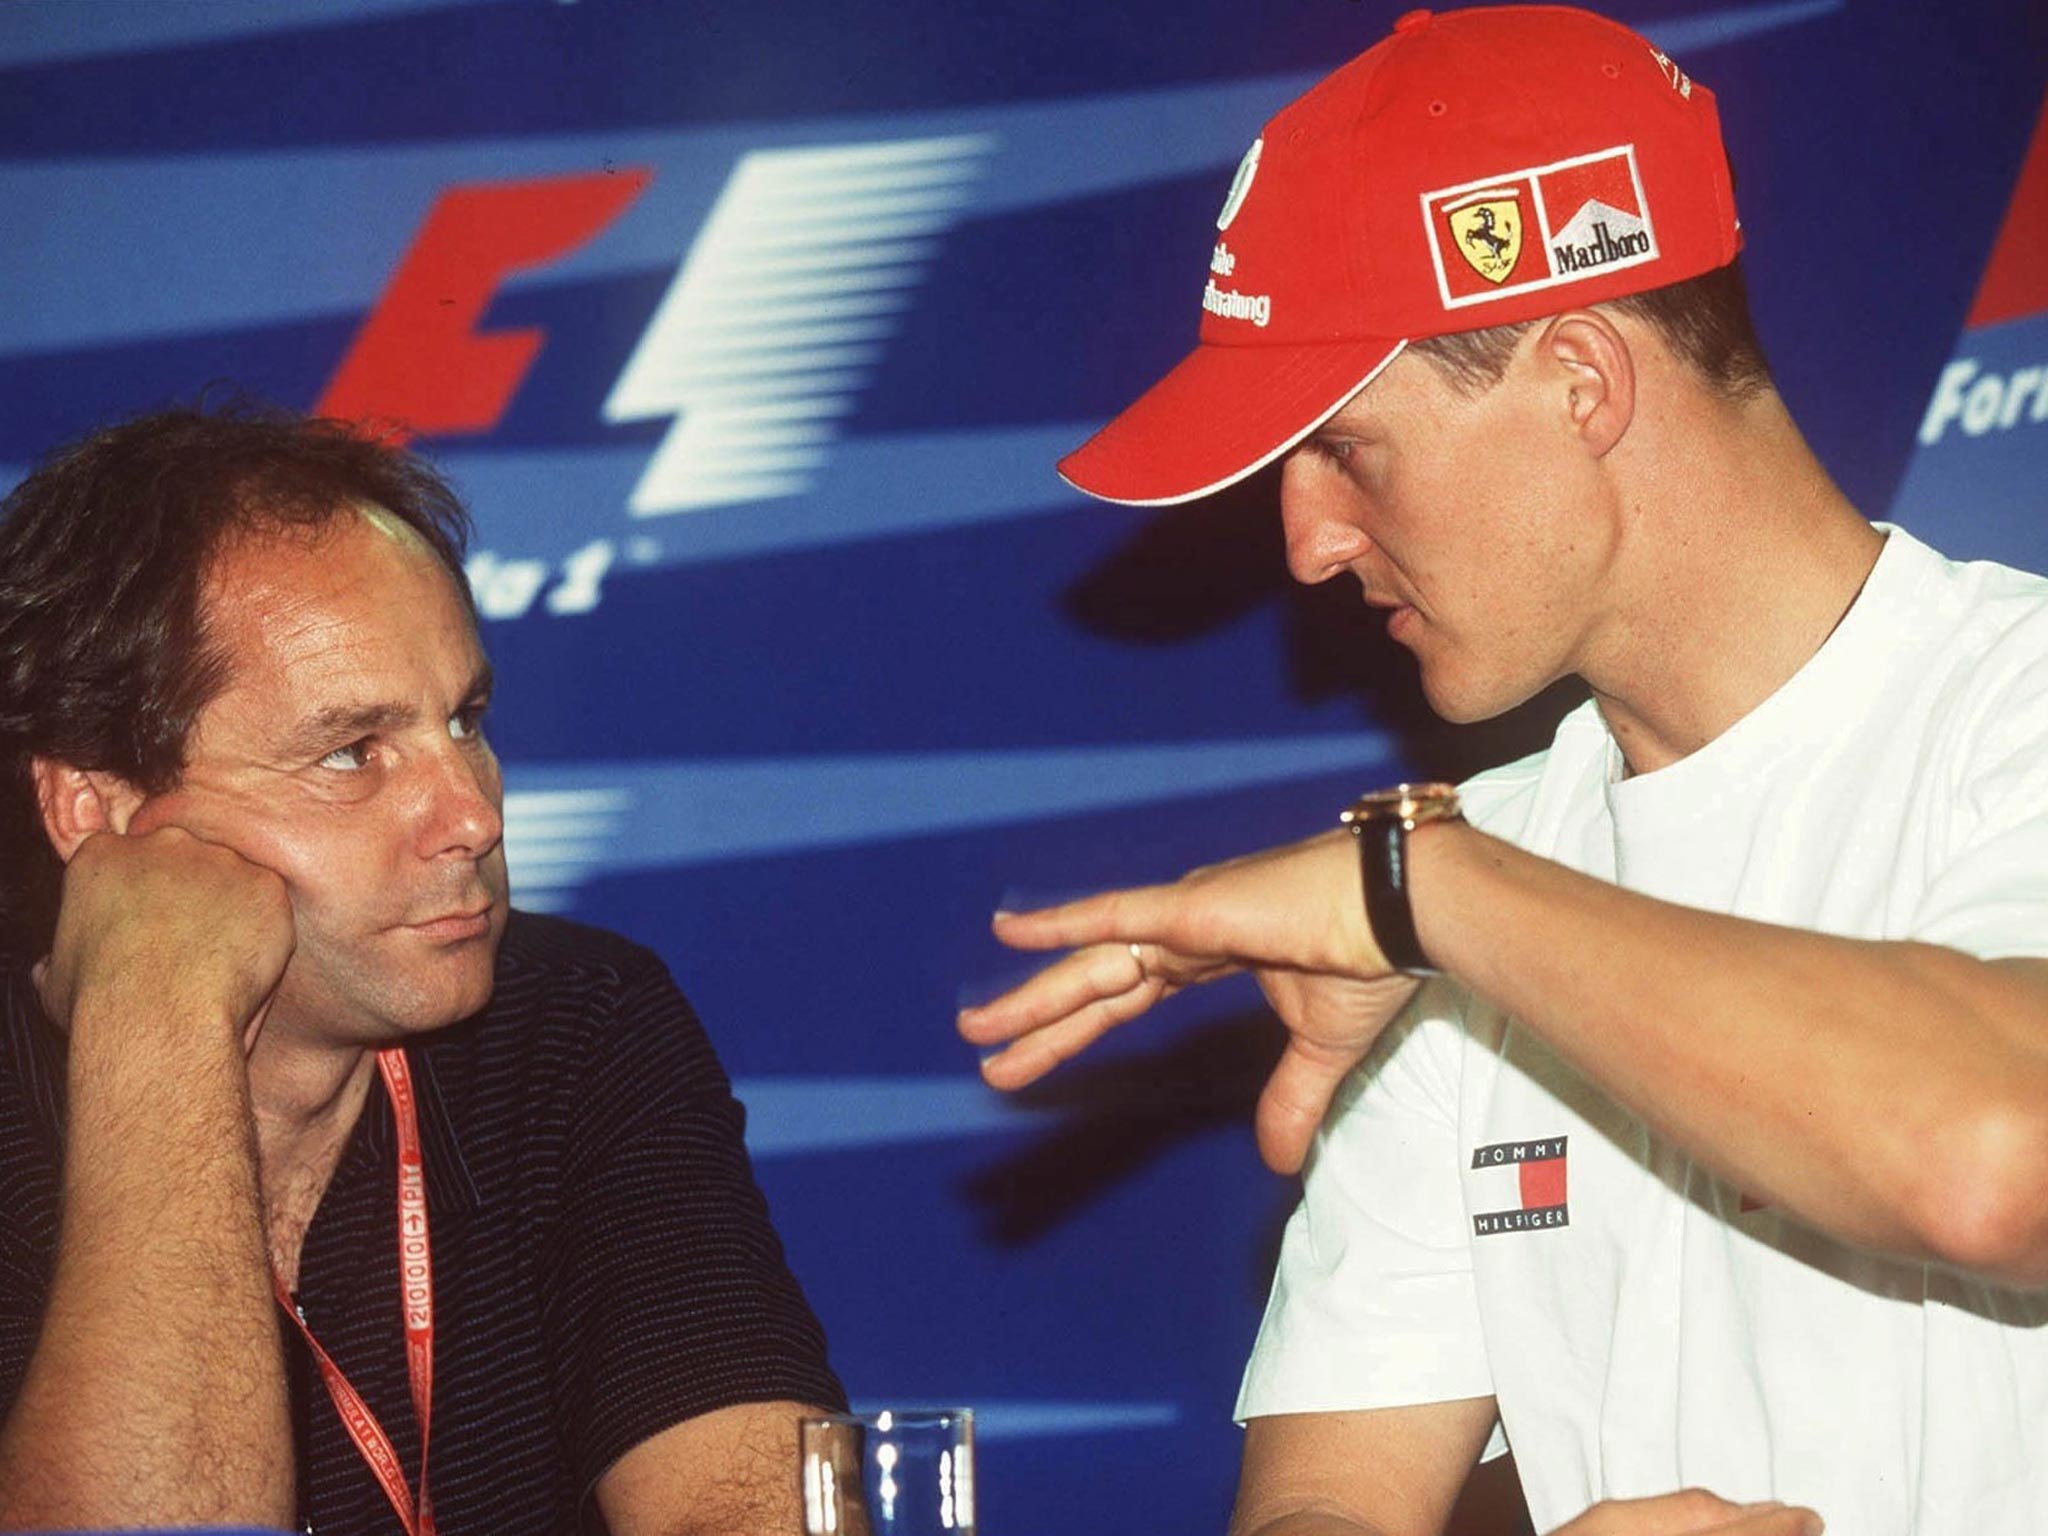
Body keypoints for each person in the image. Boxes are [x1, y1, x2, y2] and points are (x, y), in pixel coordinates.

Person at [957, 7, 2048, 1535]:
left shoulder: (2011, 710)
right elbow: (1318, 1506)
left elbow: (2001, 1161)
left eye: (1349, 448)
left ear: (1584, 380)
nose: (1309, 543)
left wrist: (1428, 892)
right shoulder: (1482, 862)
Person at [0, 405, 844, 1533]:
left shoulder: (576, 1027)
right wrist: (159, 1014)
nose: (472, 814)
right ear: (94, 809)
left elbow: (747, 1516)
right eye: (355, 753)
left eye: (466, 720)